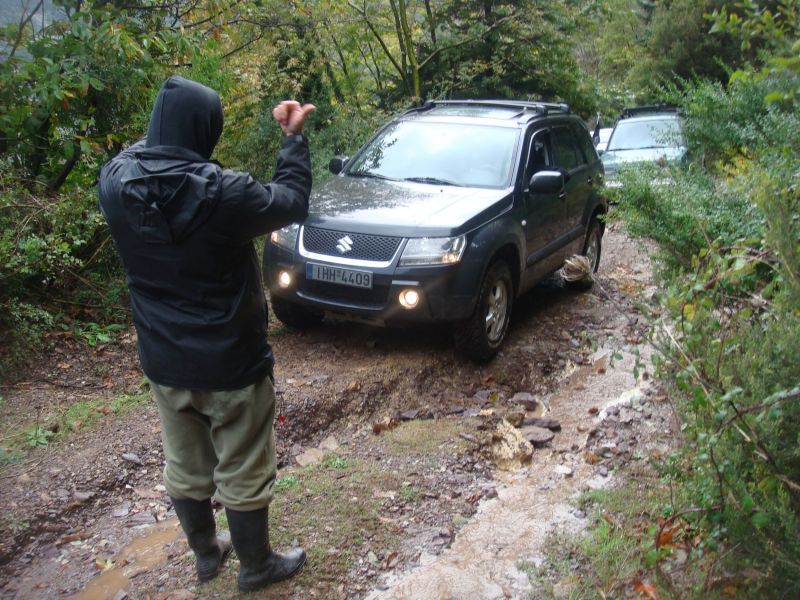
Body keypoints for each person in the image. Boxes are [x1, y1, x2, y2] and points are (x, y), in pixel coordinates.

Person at [98, 75, 315, 592]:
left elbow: (143, 154)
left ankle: (205, 555)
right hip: (231, 362)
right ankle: (257, 566)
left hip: (164, 359)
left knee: (185, 463)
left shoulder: (113, 182)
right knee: (242, 466)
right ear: (207, 130)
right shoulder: (226, 193)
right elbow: (291, 201)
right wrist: (293, 139)